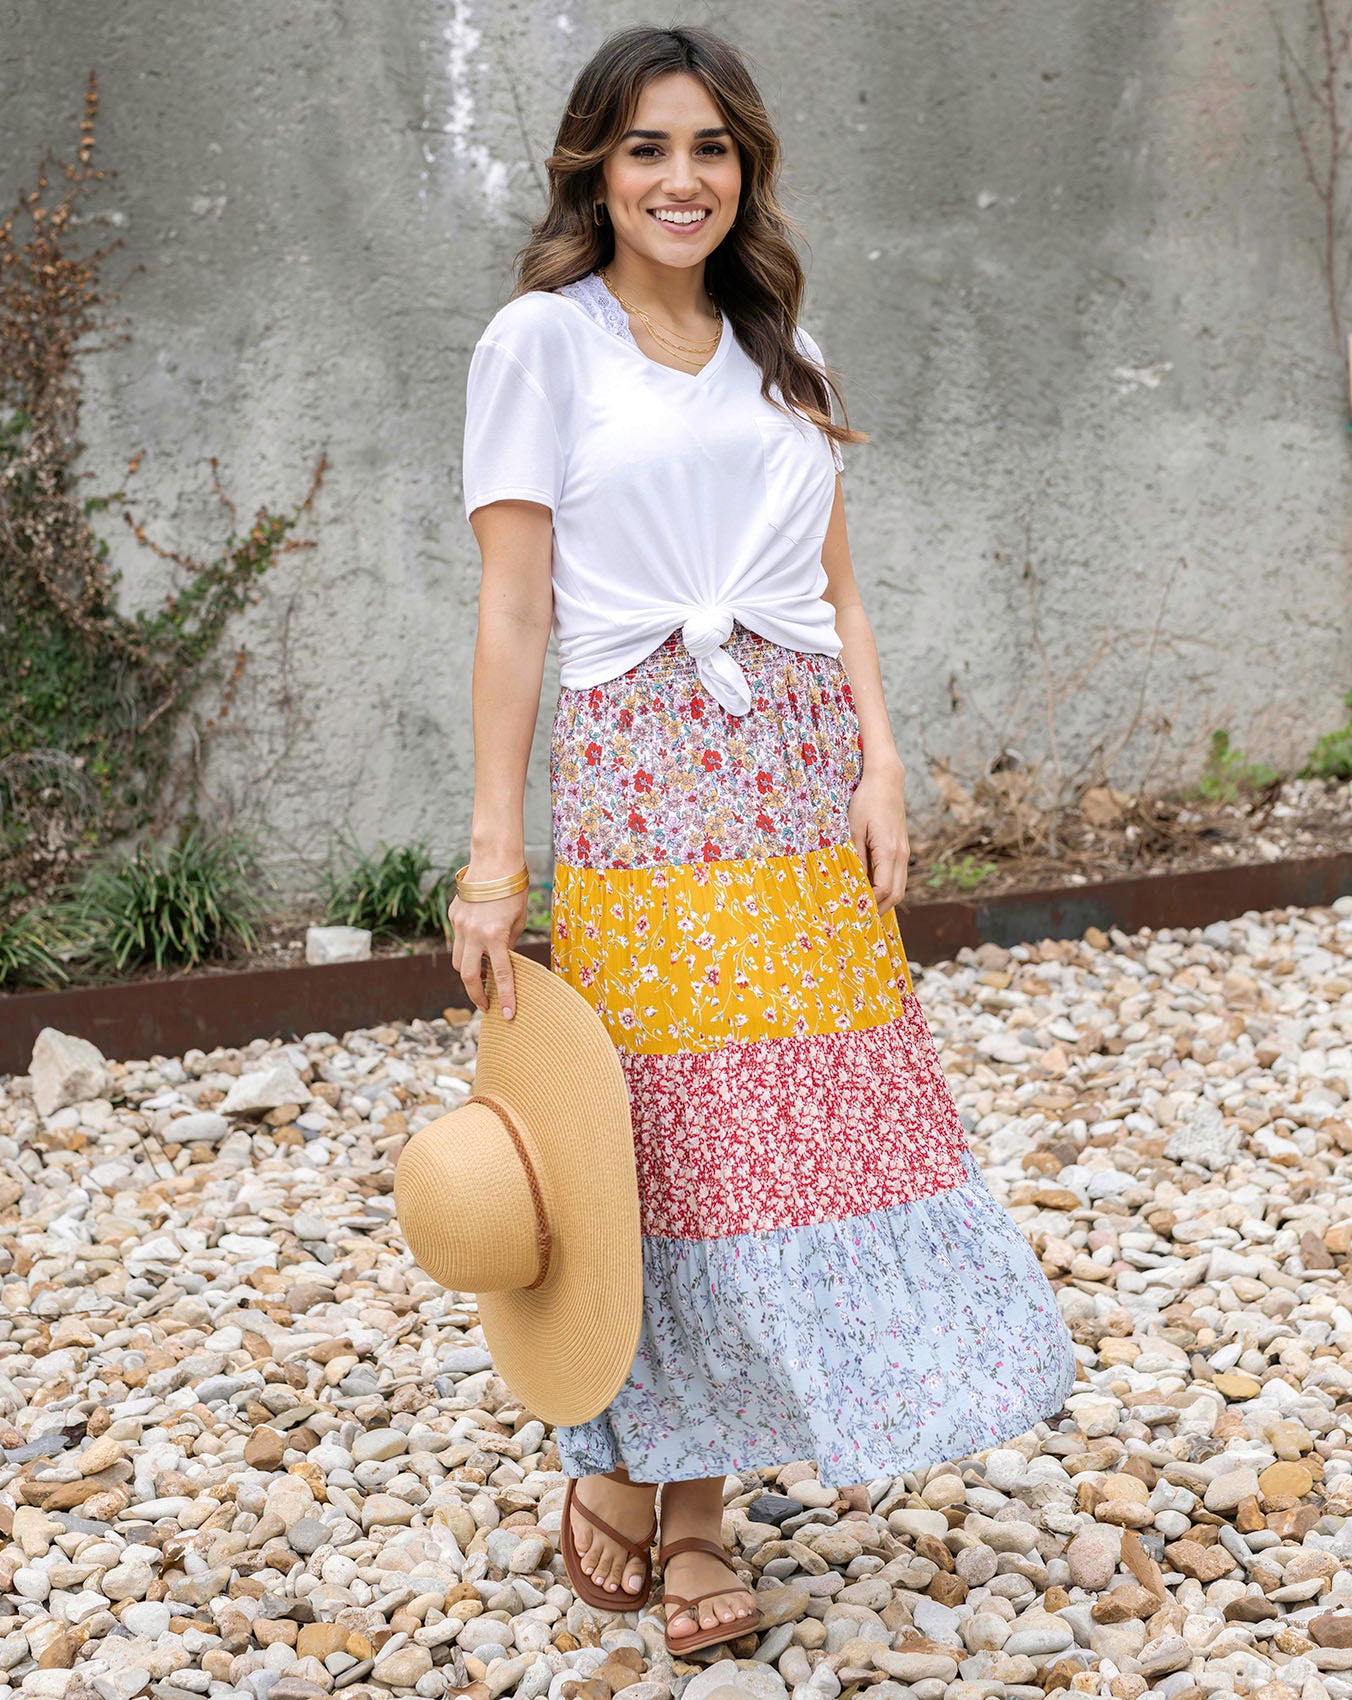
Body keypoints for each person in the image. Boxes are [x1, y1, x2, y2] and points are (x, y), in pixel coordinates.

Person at [449, 22, 1077, 1657]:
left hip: (799, 774)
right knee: (661, 1137)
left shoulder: (783, 345)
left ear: (748, 170)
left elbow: (837, 585)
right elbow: (513, 611)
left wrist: (881, 758)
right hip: (650, 776)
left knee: (788, 1135)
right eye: (649, 148)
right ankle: (619, 1466)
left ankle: (702, 1497)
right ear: (596, 163)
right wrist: (494, 857)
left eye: (711, 149)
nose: (682, 179)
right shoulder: (539, 344)